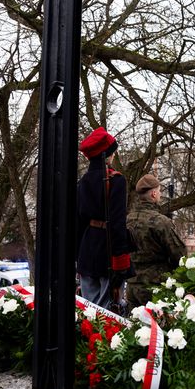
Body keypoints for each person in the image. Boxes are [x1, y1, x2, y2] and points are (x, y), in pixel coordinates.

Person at [77, 127, 133, 310]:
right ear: (107, 155)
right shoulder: (116, 180)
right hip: (108, 251)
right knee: (108, 313)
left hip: (87, 251)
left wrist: (78, 256)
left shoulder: (83, 182)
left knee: (88, 310)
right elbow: (117, 223)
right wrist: (121, 260)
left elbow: (78, 223)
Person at [126, 174, 187, 308]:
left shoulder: (127, 219)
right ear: (154, 194)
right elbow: (180, 255)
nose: (160, 194)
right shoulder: (160, 221)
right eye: (159, 191)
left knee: (133, 321)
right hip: (155, 288)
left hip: (132, 286)